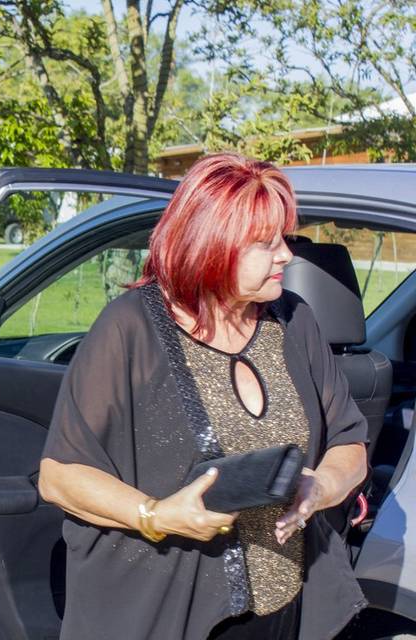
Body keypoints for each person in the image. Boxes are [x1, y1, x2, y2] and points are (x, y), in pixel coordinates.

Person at [38, 153, 369, 640]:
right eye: (265, 243)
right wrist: (155, 515)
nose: (286, 255)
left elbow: (350, 445)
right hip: (168, 612)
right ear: (212, 247)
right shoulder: (131, 327)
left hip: (283, 609)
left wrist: (319, 487)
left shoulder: (294, 321)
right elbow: (60, 477)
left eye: (283, 237)